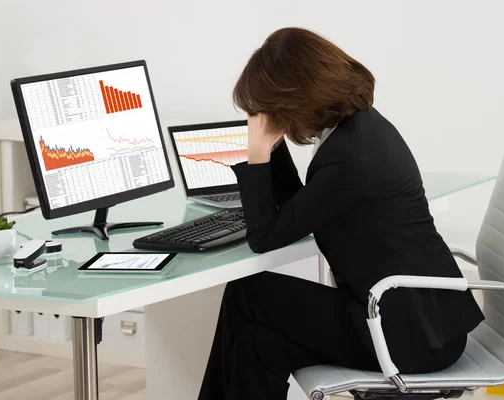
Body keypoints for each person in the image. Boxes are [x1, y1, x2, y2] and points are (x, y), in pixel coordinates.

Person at [198, 27, 484, 400]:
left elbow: (265, 237)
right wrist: (275, 145)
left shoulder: (349, 160)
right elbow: (296, 210)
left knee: (245, 291)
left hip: (404, 334)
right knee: (258, 343)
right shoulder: (359, 129)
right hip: (416, 320)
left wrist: (258, 152)